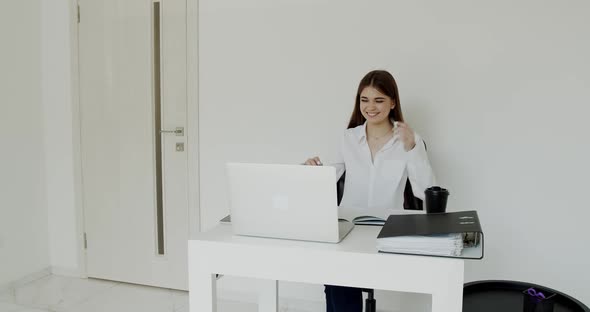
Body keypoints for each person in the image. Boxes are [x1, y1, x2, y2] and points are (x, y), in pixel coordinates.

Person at [304, 70, 435, 312]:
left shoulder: (408, 139)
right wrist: (311, 171)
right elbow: (331, 176)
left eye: (379, 100)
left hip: (387, 230)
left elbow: (427, 190)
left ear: (393, 102)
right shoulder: (348, 138)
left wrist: (412, 148)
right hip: (349, 226)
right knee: (335, 274)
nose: (370, 107)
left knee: (338, 279)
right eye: (364, 100)